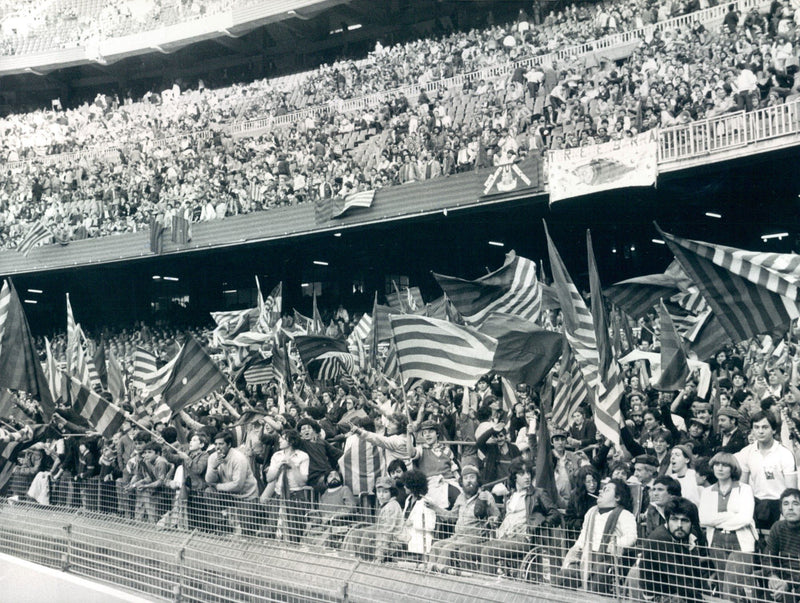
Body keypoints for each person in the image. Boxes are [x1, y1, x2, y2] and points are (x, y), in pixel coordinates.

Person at [463, 459, 560, 577]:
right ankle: (472, 586)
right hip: (504, 536)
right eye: (522, 474)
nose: (527, 477)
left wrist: (538, 527)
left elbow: (554, 513)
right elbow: (505, 517)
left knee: (488, 551)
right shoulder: (512, 495)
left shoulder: (538, 494)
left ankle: (486, 588)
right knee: (466, 551)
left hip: (523, 538)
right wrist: (495, 521)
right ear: (514, 477)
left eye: (528, 473)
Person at [559, 478, 637, 594]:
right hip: (586, 558)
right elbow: (583, 536)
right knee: (564, 575)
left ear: (617, 497)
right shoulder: (591, 512)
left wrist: (617, 543)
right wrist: (574, 550)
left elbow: (632, 537)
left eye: (606, 490)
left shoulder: (625, 515)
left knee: (600, 573)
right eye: (602, 489)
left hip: (607, 559)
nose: (600, 492)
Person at [698, 452, 756, 600]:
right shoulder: (707, 491)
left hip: (740, 542)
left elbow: (745, 518)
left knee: (731, 586)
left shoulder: (745, 489)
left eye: (725, 465)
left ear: (732, 468)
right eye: (717, 464)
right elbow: (704, 519)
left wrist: (718, 519)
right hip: (716, 541)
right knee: (725, 584)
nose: (720, 468)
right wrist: (731, 515)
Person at [425, 464, 500, 573]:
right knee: (436, 545)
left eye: (472, 477)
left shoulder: (485, 496)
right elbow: (451, 517)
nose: (469, 481)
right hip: (458, 537)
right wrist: (434, 507)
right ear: (462, 482)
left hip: (476, 538)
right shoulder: (461, 497)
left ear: (478, 480)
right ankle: (430, 574)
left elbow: (496, 516)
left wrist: (492, 519)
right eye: (466, 478)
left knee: (447, 548)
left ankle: (440, 578)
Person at [640, 497, 710, 603]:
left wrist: (707, 595)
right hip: (659, 596)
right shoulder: (660, 538)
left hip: (681, 591)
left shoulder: (691, 535)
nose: (679, 525)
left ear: (692, 523)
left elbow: (696, 571)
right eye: (674, 519)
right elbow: (678, 581)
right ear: (667, 520)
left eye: (685, 520)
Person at [738, 411, 798, 530]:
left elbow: (792, 490)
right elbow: (742, 487)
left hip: (778, 506)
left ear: (774, 430)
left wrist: (784, 514)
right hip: (756, 505)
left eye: (765, 427)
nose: (760, 431)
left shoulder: (784, 454)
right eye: (756, 427)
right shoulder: (746, 452)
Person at [206, 430, 260, 536]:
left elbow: (237, 485)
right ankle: (222, 526)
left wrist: (218, 486)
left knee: (248, 531)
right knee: (209, 491)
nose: (217, 447)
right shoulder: (213, 457)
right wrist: (213, 467)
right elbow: (208, 480)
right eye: (216, 444)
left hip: (245, 496)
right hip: (227, 494)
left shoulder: (239, 458)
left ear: (229, 445)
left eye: (221, 444)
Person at [343, 475, 404, 562]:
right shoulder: (385, 504)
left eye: (385, 492)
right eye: (379, 492)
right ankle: (350, 557)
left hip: (394, 542)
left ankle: (365, 561)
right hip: (385, 536)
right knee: (356, 533)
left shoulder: (391, 507)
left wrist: (380, 555)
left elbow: (386, 532)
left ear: (392, 492)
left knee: (367, 535)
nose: (381, 495)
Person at [265, 429, 310, 542]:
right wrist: (279, 467)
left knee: (295, 531)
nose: (279, 440)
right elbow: (269, 478)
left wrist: (293, 466)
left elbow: (302, 482)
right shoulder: (276, 456)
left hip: (295, 496)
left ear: (291, 441)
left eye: (283, 438)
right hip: (278, 495)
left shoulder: (303, 456)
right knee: (274, 528)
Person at [765, 488, 800, 602]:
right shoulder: (777, 527)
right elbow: (768, 556)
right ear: (781, 509)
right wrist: (772, 576)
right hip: (782, 577)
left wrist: (789, 584)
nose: (790, 508)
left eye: (795, 503)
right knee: (750, 579)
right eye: (786, 504)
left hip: (796, 581)